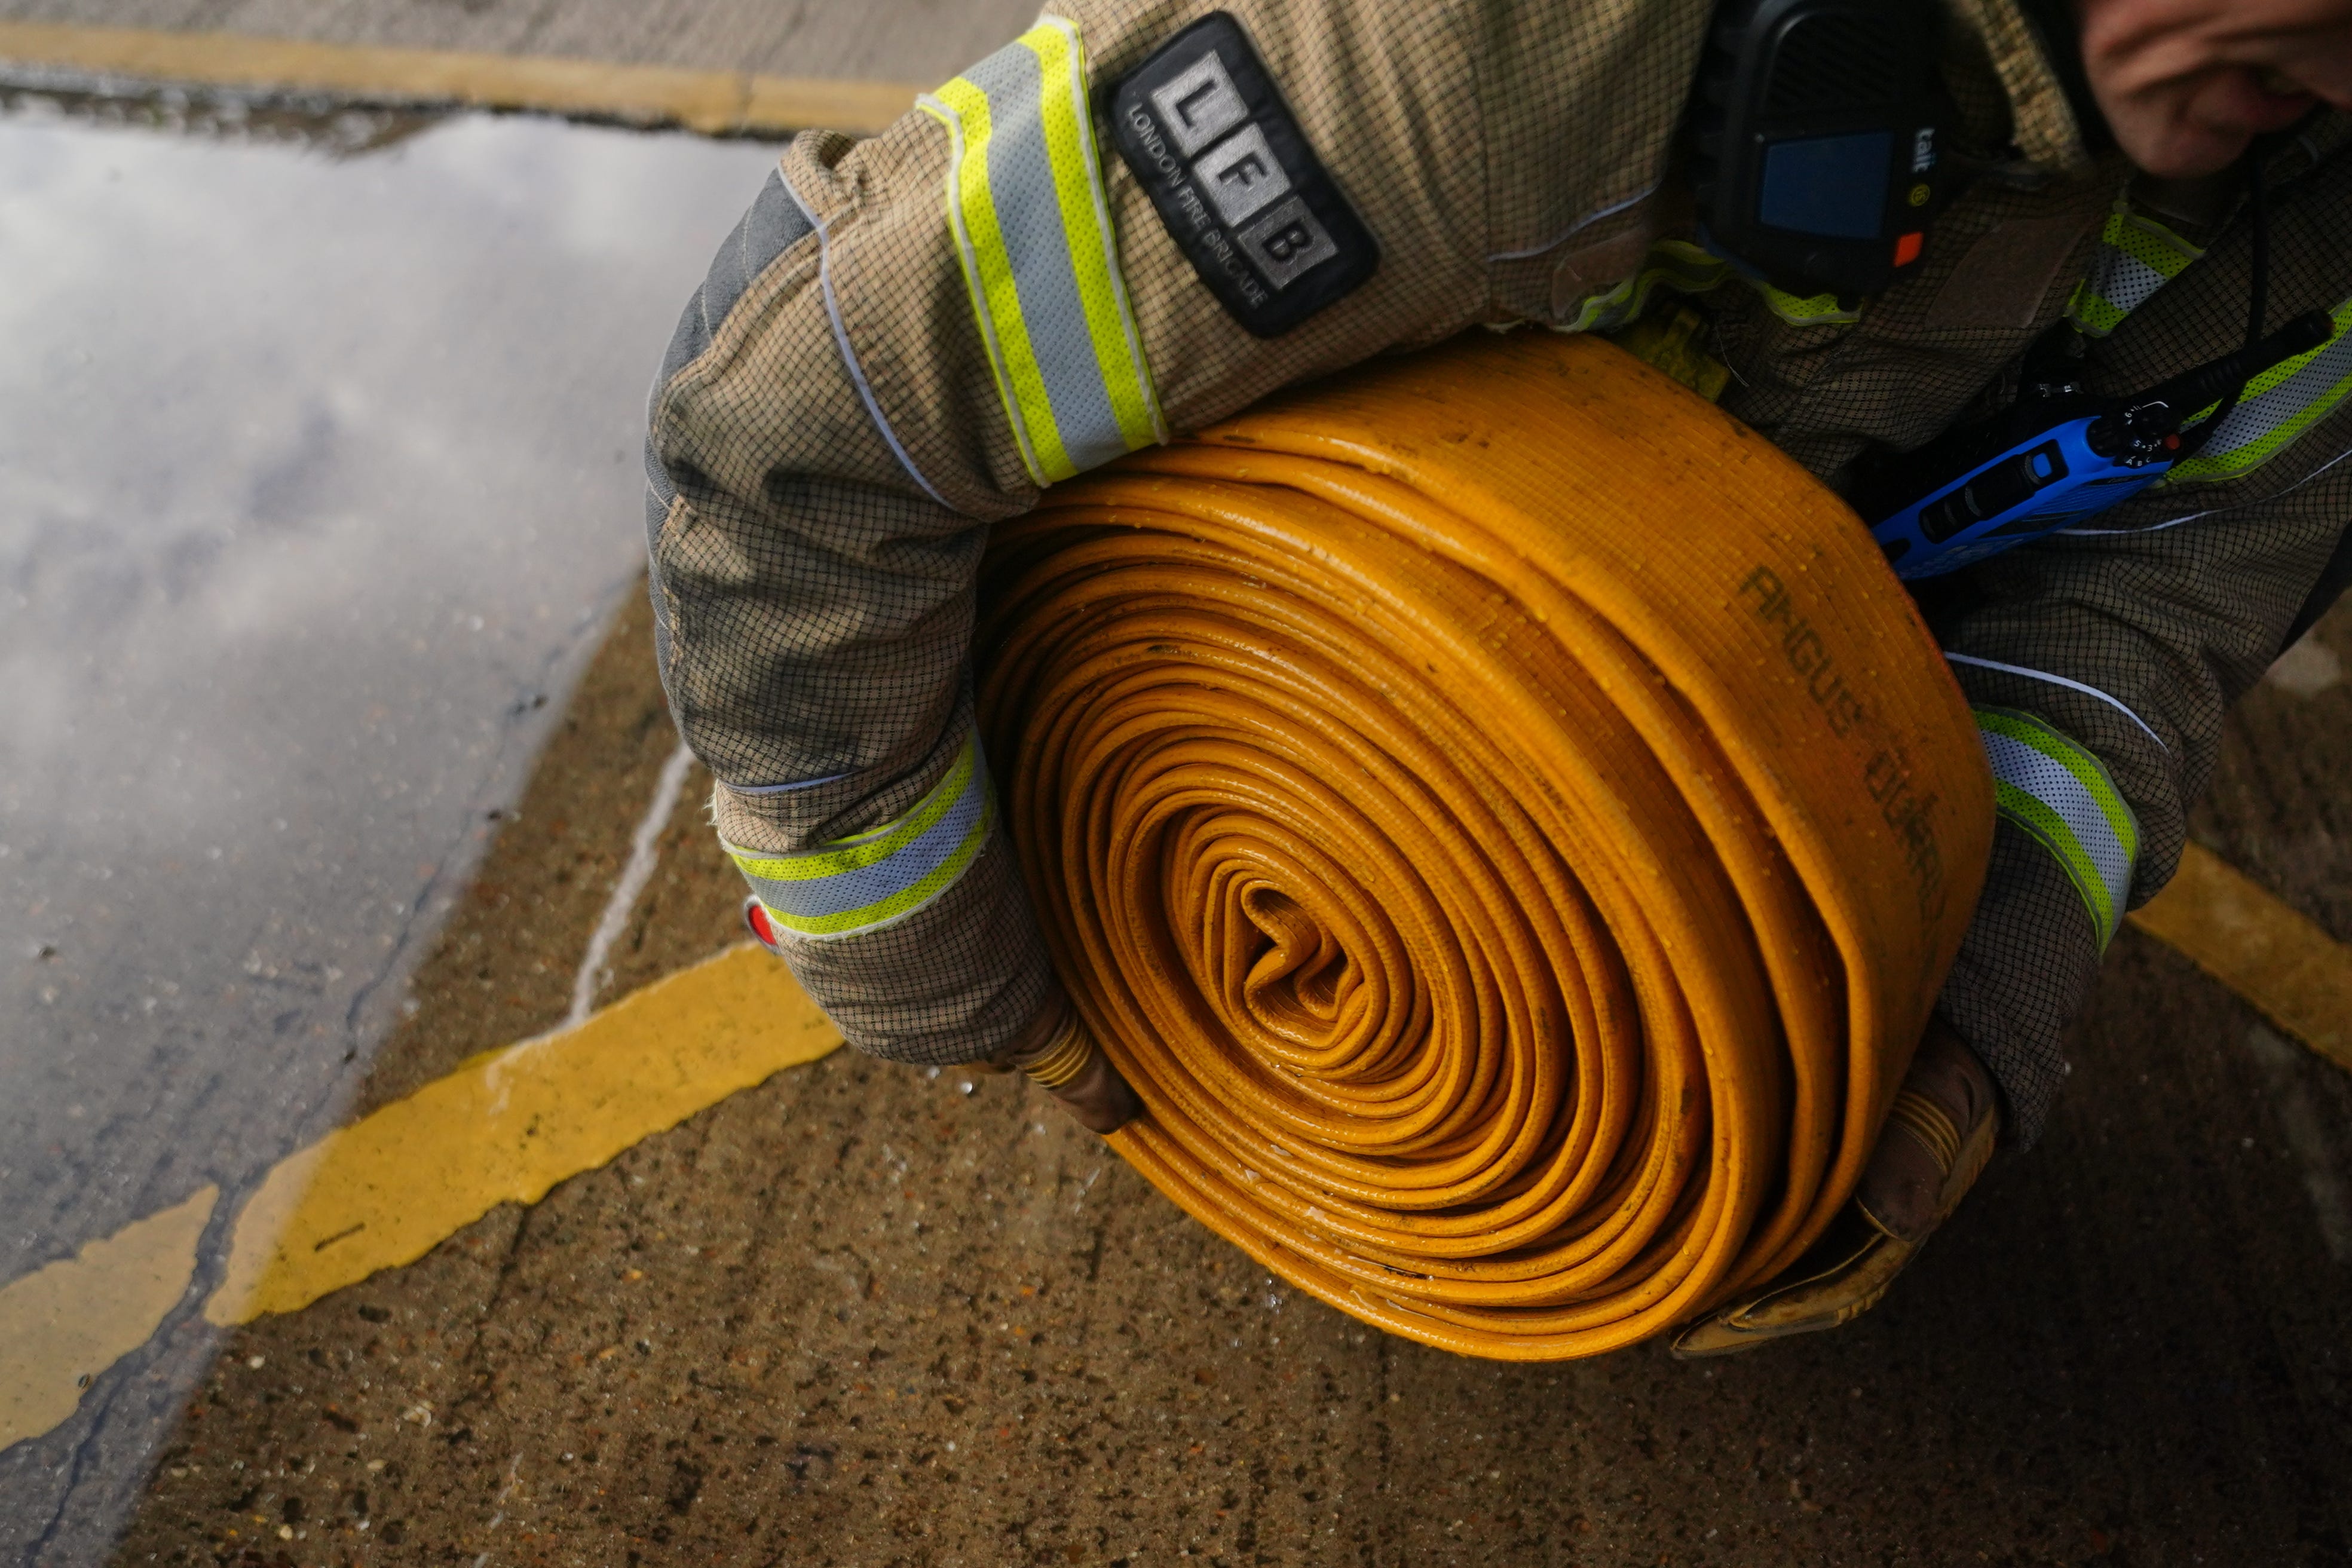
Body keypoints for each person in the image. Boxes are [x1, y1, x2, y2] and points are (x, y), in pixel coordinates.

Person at [641, 0, 2352, 1353]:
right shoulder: (1510, 47)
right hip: (1205, 622)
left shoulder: (2315, 210)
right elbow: (802, 420)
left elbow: (2147, 616)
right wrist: (985, 999)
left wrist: (1962, 1015)